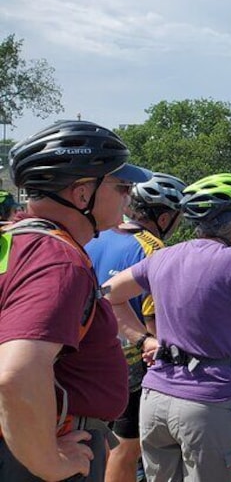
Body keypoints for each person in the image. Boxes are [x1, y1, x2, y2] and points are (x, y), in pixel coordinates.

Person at [104, 173, 231, 482]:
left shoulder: (162, 256)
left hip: (156, 399)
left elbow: (109, 293)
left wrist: (143, 340)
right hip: (210, 405)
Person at [0, 119, 151, 481]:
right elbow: (16, 374)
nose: (129, 197)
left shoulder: (17, 242)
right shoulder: (57, 259)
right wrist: (50, 463)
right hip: (38, 454)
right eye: (122, 186)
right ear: (83, 193)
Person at [86, 172, 186, 482]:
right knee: (126, 450)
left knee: (97, 444)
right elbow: (155, 318)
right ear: (166, 216)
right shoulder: (154, 248)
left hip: (84, 356)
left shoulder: (96, 236)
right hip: (129, 364)